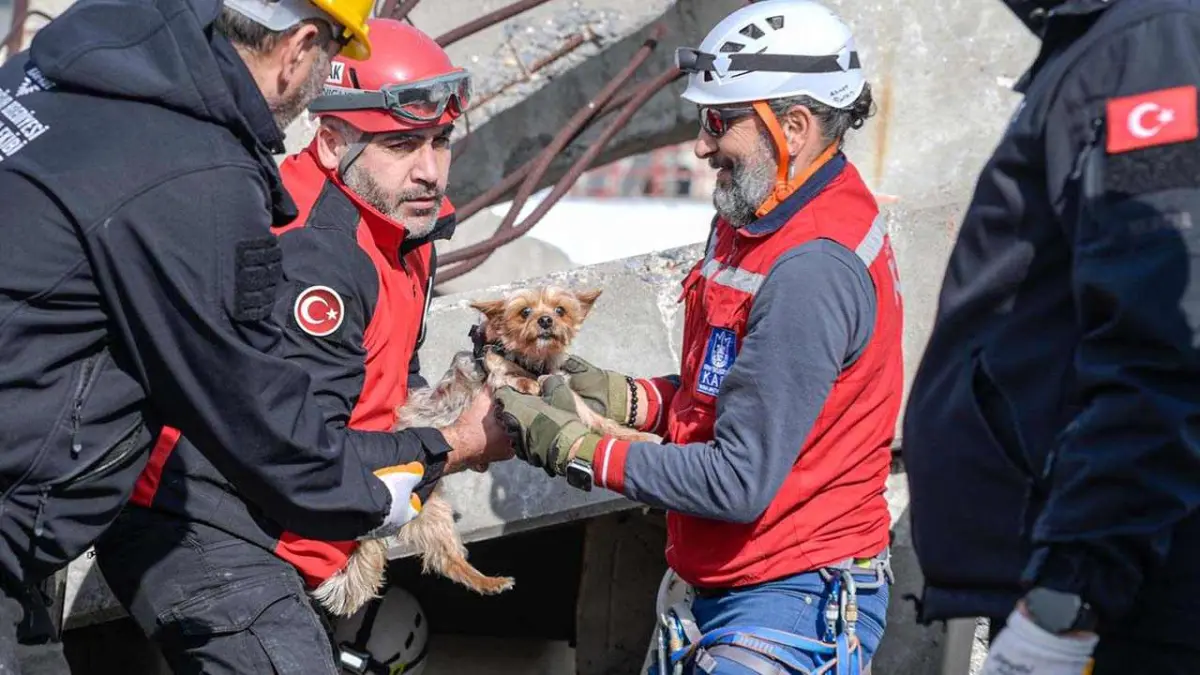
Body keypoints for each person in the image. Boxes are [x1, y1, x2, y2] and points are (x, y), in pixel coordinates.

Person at [0, 0, 508, 669]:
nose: (429, 171)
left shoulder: (63, 80)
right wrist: (451, 447)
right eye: (399, 143)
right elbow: (270, 431)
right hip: (207, 519)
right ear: (299, 49)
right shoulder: (225, 195)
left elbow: (370, 383)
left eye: (440, 142)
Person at [493, 1, 904, 672]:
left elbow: (738, 479)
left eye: (720, 121)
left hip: (789, 598)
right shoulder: (755, 218)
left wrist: (583, 452)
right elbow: (728, 390)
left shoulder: (812, 268)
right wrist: (633, 400)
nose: (702, 145)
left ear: (793, 127)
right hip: (735, 588)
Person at [901, 0, 1200, 672]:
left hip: (1128, 606)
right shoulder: (1115, 45)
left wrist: (1070, 597)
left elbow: (1165, 346)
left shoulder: (1148, 46)